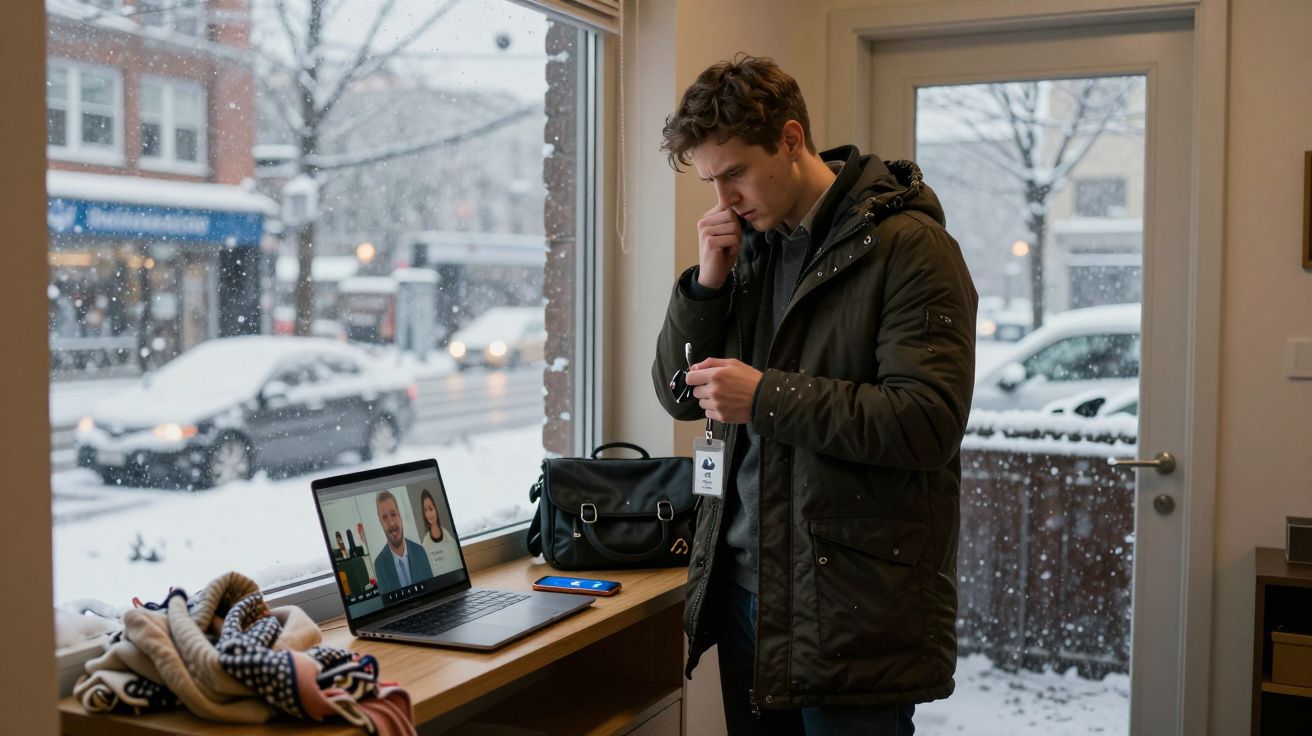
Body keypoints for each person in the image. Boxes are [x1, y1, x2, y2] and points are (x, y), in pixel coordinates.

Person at [652, 55, 977, 735]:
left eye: (734, 173)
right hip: (744, 596)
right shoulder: (749, 251)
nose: (724, 200)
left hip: (851, 608)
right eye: (711, 181)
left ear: (792, 140)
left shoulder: (910, 249)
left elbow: (927, 421)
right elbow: (680, 396)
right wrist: (706, 285)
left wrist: (764, 395)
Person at [372, 490, 433, 594]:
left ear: (399, 516)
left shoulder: (420, 552)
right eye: (385, 517)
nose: (391, 523)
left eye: (393, 514)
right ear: (380, 522)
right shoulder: (379, 564)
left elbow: (433, 591)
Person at [417, 488, 455, 570]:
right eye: (425, 510)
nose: (429, 514)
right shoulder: (425, 543)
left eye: (430, 509)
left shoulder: (447, 535)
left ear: (435, 509)